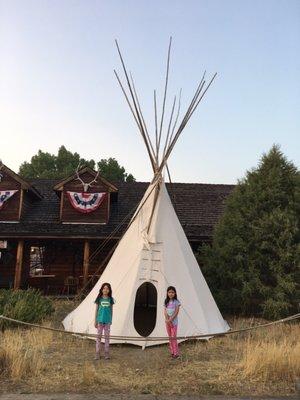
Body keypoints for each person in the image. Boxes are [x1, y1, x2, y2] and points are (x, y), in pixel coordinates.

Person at [94, 282, 114, 360]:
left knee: (107, 337)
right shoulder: (99, 299)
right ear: (102, 290)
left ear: (109, 290)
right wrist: (95, 320)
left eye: (107, 288)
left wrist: (111, 319)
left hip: (107, 321)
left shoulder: (111, 299)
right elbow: (96, 310)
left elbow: (111, 310)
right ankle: (97, 353)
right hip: (100, 321)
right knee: (98, 337)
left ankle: (106, 353)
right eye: (104, 288)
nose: (105, 290)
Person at [164, 286, 181, 358]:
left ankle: (176, 353)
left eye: (172, 292)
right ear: (167, 293)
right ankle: (172, 351)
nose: (171, 294)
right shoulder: (166, 301)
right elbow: (165, 311)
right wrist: (168, 320)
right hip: (167, 322)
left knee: (174, 337)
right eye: (169, 292)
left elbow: (176, 312)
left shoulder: (176, 302)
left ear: (175, 293)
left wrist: (171, 320)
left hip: (174, 323)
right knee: (170, 337)